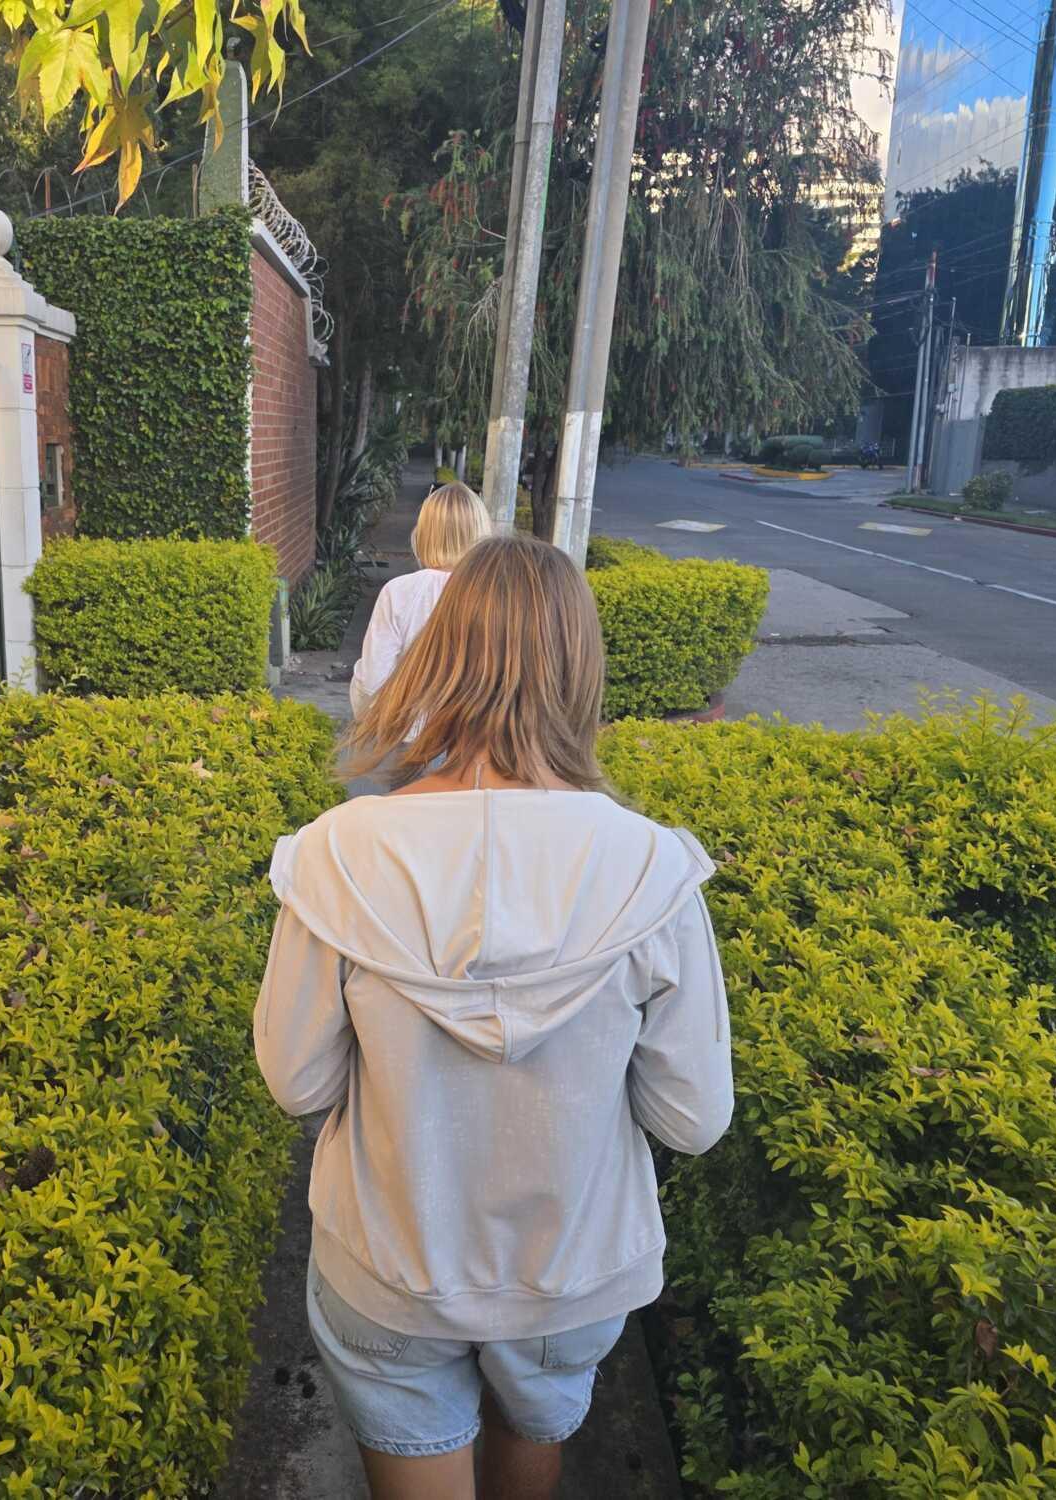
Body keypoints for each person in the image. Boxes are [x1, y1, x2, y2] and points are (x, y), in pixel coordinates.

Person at [254, 535, 735, 1500]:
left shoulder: (338, 856)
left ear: (439, 655)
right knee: (535, 1424)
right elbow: (693, 1118)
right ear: (580, 671)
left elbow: (297, 1081)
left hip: (390, 1265)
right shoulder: (652, 870)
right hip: (573, 1272)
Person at [349, 481, 493, 721]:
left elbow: (371, 682)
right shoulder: (496, 595)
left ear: (424, 533)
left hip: (407, 733)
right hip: (476, 735)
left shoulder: (398, 592)